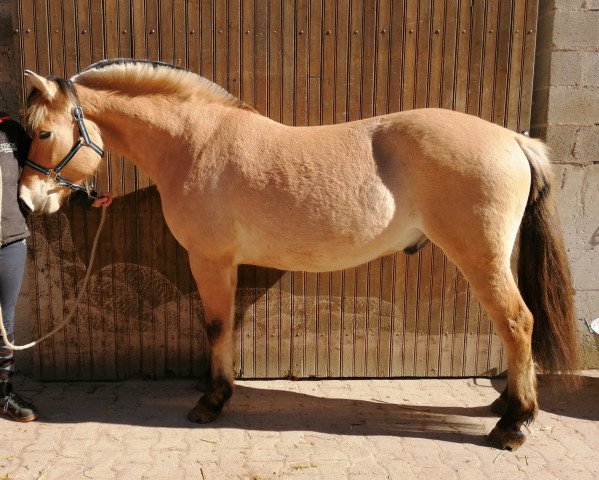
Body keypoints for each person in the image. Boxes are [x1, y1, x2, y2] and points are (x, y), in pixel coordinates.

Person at [0, 110, 111, 422]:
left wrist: (86, 198)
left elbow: (43, 170)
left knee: (3, 325)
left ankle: (3, 394)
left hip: (10, 240)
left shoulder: (9, 130)